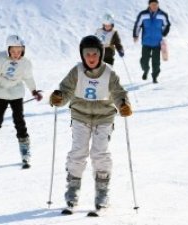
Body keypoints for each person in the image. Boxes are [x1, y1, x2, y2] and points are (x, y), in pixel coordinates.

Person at [49, 35, 132, 211]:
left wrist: (124, 105)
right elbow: (65, 90)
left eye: (94, 54)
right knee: (79, 150)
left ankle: (102, 191)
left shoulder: (109, 73)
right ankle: (73, 188)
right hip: (80, 115)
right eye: (87, 54)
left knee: (99, 152)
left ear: (101, 54)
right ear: (82, 56)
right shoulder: (77, 71)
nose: (91, 58)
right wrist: (58, 98)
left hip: (104, 117)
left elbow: (118, 93)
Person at [0, 35, 43, 169]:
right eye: (13, 51)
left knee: (19, 120)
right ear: (8, 50)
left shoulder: (25, 63)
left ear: (23, 50)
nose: (16, 54)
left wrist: (34, 91)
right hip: (0, 92)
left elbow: (28, 78)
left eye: (19, 51)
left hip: (16, 93)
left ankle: (25, 151)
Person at [133, 0, 171, 83]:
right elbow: (138, 25)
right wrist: (135, 35)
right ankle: (145, 70)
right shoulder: (143, 14)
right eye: (152, 4)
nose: (154, 6)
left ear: (158, 5)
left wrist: (164, 33)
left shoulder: (162, 15)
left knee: (156, 62)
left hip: (157, 43)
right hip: (146, 42)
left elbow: (167, 24)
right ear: (149, 5)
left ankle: (155, 76)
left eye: (156, 4)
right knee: (144, 61)